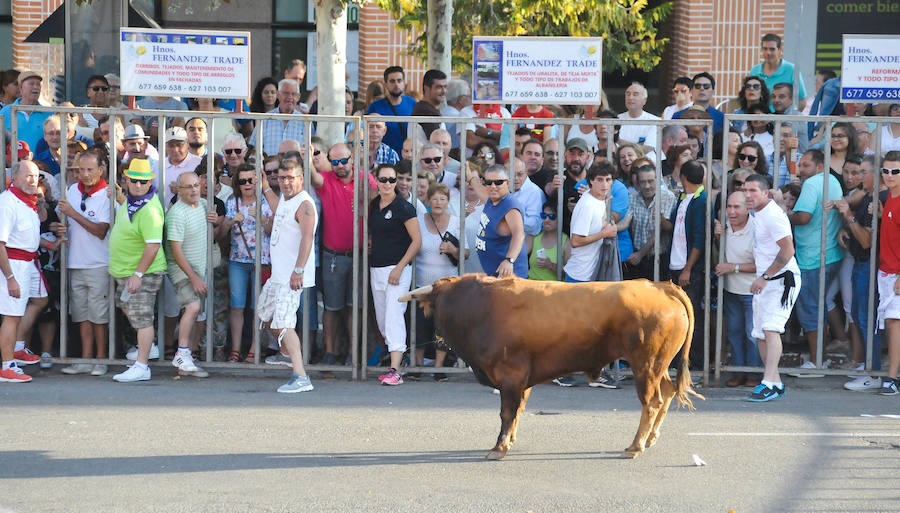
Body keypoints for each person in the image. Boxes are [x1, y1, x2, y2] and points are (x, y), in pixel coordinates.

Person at [253, 159, 318, 392]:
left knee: (284, 323)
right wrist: (265, 187)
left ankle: (300, 376)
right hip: (278, 276)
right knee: (266, 314)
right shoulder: (285, 200)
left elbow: (308, 238)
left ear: (301, 178)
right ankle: (287, 352)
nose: (287, 182)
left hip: (291, 278)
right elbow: (277, 208)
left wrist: (298, 270)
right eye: (282, 178)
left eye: (291, 178)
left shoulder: (305, 204)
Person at [309, 142, 377, 365]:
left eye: (343, 160)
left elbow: (377, 206)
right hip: (333, 256)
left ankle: (352, 354)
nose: (339, 165)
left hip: (358, 255)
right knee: (331, 308)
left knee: (354, 308)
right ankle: (330, 352)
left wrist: (371, 236)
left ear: (352, 159)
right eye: (335, 161)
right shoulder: (327, 179)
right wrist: (308, 156)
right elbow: (312, 175)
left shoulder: (366, 180)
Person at [742, 173, 801, 401]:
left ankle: (767, 382)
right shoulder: (761, 212)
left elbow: (788, 250)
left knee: (770, 329)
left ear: (765, 193)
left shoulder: (773, 215)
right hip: (767, 280)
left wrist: (765, 276)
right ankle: (774, 382)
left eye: (753, 191)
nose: (748, 195)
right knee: (760, 333)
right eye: (745, 190)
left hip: (781, 280)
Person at [54, 149, 111, 376]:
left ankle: (101, 358)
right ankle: (85, 359)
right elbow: (69, 223)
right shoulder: (72, 191)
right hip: (75, 261)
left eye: (89, 170)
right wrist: (59, 227)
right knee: (81, 314)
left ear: (101, 170)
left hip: (98, 263)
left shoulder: (107, 194)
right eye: (80, 170)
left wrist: (73, 214)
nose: (84, 174)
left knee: (99, 315)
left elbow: (100, 231)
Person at [110, 159, 168, 382]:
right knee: (125, 304)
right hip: (126, 271)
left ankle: (142, 366)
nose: (138, 184)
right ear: (126, 180)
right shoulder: (134, 202)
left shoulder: (149, 209)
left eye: (143, 181)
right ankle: (148, 348)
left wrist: (138, 274)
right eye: (133, 180)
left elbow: (153, 245)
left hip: (143, 272)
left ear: (149, 182)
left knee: (142, 319)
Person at [787, 149, 844, 376]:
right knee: (818, 306)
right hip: (829, 254)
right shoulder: (832, 180)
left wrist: (785, 213)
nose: (801, 170)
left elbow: (804, 217)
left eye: (806, 165)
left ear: (820, 166)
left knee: (809, 308)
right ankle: (820, 358)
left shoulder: (812, 184)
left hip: (812, 257)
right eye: (800, 165)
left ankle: (816, 362)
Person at [368, 164, 421, 385]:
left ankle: (395, 370)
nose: (388, 183)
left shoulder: (404, 207)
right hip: (376, 268)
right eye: (384, 179)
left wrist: (399, 268)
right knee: (383, 320)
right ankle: (399, 360)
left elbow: (417, 241)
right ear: (377, 181)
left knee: (393, 317)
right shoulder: (374, 204)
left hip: (397, 270)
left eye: (392, 179)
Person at [411, 182, 466, 381]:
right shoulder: (418, 221)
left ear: (447, 202)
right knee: (419, 326)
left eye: (442, 199)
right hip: (422, 285)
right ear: (428, 201)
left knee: (441, 328)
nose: (438, 202)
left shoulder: (456, 222)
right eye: (434, 198)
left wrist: (452, 249)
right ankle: (417, 366)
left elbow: (465, 254)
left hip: (447, 286)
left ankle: (438, 367)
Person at [0, 161, 49, 383]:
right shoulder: (7, 203)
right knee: (11, 316)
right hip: (13, 264)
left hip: (29, 262)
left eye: (36, 176)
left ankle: (18, 346)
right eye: (28, 176)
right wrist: (10, 278)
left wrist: (50, 245)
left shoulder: (28, 201)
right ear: (15, 178)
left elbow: (26, 236)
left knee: (40, 300)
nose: (33, 180)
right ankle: (7, 366)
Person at [839, 156, 883, 391]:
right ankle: (869, 367)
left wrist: (848, 216)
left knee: (867, 318)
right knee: (860, 315)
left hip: (868, 264)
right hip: (862, 264)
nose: (858, 176)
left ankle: (873, 373)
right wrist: (848, 229)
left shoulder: (874, 200)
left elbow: (867, 241)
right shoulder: (867, 197)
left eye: (863, 171)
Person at [222, 165, 273, 363]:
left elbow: (272, 231)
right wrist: (229, 222)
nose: (247, 185)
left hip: (262, 262)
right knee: (237, 306)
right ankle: (235, 350)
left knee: (258, 308)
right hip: (238, 261)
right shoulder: (232, 202)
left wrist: (261, 219)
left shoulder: (266, 201)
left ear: (257, 180)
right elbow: (222, 234)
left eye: (250, 180)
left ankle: (254, 349)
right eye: (242, 181)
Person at [714, 192, 762, 388]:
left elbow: (763, 265)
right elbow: (722, 250)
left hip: (751, 291)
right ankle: (739, 372)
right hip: (731, 290)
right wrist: (718, 237)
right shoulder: (725, 225)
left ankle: (754, 374)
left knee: (752, 334)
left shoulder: (756, 229)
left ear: (747, 208)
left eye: (737, 207)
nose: (732, 211)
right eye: (729, 206)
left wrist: (732, 267)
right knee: (734, 332)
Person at [668, 160, 708, 369]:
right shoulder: (684, 198)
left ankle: (693, 361)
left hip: (688, 269)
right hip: (676, 265)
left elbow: (700, 238)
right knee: (678, 315)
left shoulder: (701, 201)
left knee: (691, 316)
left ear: (683, 178)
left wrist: (688, 268)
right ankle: (678, 359)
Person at [470, 165, 528, 278]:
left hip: (509, 276)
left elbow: (519, 235)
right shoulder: (491, 199)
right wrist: (470, 177)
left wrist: (509, 260)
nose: (493, 186)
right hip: (494, 273)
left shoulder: (510, 205)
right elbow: (478, 186)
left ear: (507, 183)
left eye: (498, 182)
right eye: (489, 182)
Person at [874, 151, 900, 395]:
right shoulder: (890, 198)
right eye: (886, 170)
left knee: (894, 324)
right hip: (886, 272)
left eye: (895, 171)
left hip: (895, 274)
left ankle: (891, 378)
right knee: (892, 324)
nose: (889, 175)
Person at [625, 164, 676, 280]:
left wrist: (661, 219)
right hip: (636, 258)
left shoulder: (667, 197)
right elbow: (626, 222)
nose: (647, 186)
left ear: (658, 180)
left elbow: (667, 228)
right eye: (643, 182)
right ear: (637, 183)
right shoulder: (632, 198)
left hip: (659, 259)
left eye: (650, 181)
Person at [749, 34, 808, 111]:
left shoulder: (792, 70)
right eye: (765, 49)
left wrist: (786, 120)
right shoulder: (754, 70)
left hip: (783, 121)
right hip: (760, 120)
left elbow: (802, 101)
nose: (768, 53)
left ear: (780, 50)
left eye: (772, 49)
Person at [367, 66, 417, 155]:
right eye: (392, 81)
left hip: (408, 159)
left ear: (404, 83)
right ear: (385, 84)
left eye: (399, 80)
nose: (396, 84)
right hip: (384, 158)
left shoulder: (412, 103)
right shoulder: (375, 107)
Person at [250, 78, 306, 156]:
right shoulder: (265, 119)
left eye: (293, 94)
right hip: (268, 167)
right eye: (286, 93)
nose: (290, 97)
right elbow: (253, 148)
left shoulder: (305, 121)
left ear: (298, 97)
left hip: (296, 167)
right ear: (278, 94)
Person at [1, 71, 52, 151]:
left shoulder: (48, 114)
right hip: (12, 162)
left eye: (38, 84)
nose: (36, 87)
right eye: (31, 84)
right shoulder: (6, 112)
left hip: (39, 163)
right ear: (20, 87)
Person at [617, 82, 660, 159]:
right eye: (628, 94)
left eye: (635, 94)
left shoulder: (654, 121)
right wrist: (639, 145)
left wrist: (621, 142)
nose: (630, 97)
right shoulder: (616, 119)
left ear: (644, 100)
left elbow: (648, 148)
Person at [161, 127, 202, 207]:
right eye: (171, 146)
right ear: (165, 146)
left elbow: (207, 190)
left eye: (179, 145)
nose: (175, 150)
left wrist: (183, 190)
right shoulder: (158, 165)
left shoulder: (199, 163)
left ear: (187, 144)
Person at [510, 156, 545, 236]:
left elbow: (534, 227)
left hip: (525, 245)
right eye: (511, 174)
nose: (516, 178)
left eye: (520, 174)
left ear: (526, 172)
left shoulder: (535, 192)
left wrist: (509, 219)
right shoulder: (501, 188)